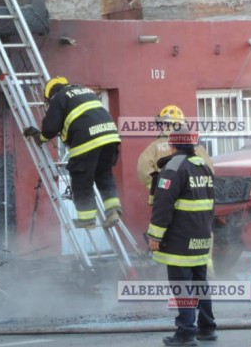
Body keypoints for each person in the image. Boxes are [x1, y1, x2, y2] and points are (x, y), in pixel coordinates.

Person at [24, 76, 123, 230]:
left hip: (88, 140)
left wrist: (40, 137)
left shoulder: (59, 97)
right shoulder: (86, 91)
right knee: (104, 175)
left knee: (81, 180)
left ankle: (87, 219)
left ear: (51, 94)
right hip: (110, 136)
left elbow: (50, 128)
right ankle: (113, 211)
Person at [147, 132, 217, 346]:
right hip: (201, 236)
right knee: (200, 283)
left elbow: (162, 206)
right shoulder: (203, 166)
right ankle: (206, 327)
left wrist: (154, 236)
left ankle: (186, 332)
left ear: (172, 146)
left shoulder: (173, 168)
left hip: (180, 239)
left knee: (182, 285)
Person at [137, 105, 215, 196]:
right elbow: (209, 170)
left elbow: (143, 171)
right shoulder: (196, 146)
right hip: (192, 197)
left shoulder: (154, 147)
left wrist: (160, 187)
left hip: (165, 198)